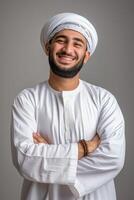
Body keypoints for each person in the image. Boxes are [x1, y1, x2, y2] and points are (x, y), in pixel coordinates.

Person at [10, 12, 125, 200]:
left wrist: (49, 157)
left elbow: (113, 158)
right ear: (48, 48)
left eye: (77, 43)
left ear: (86, 55)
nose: (68, 49)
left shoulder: (104, 100)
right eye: (61, 40)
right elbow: (26, 160)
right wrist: (85, 148)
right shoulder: (27, 100)